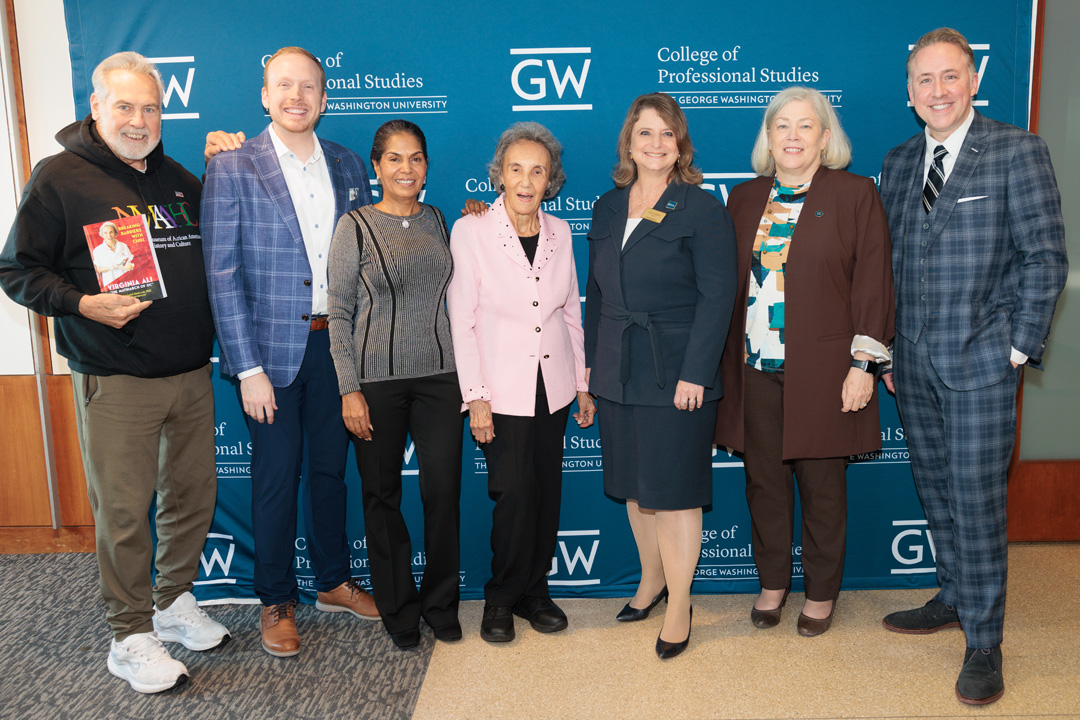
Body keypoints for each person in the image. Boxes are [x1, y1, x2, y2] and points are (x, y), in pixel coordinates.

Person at [0, 51, 229, 694]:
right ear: (96, 107)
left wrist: (222, 170)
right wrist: (81, 303)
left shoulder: (177, 178)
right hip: (115, 377)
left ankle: (171, 602)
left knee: (191, 500)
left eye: (150, 107)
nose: (138, 119)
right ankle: (129, 636)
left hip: (188, 373)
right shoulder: (59, 178)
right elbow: (18, 270)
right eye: (124, 106)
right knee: (126, 512)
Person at [878, 28, 1067, 705]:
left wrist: (1017, 348)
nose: (938, 91)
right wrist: (888, 349)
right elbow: (888, 266)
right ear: (909, 93)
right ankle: (954, 596)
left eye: (949, 77)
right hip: (914, 367)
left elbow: (1046, 256)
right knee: (937, 493)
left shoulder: (1018, 150)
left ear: (972, 80)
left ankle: (984, 643)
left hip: (984, 363)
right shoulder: (898, 164)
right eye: (924, 80)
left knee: (979, 503)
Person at [202, 46, 377, 659]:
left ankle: (332, 580)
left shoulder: (350, 165)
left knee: (330, 472)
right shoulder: (232, 167)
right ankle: (275, 597)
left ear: (324, 99)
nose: (296, 96)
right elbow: (221, 275)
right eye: (284, 85)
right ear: (265, 95)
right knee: (277, 478)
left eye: (308, 87)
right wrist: (246, 368)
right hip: (269, 358)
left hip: (338, 349)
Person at [713, 86, 894, 638]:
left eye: (805, 125)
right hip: (753, 369)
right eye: (781, 126)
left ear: (825, 136)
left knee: (822, 488)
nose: (792, 136)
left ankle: (820, 591)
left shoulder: (854, 194)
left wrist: (863, 365)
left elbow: (873, 283)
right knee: (763, 483)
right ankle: (772, 583)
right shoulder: (743, 199)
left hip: (825, 372)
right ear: (768, 138)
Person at [584, 93, 737, 659]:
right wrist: (592, 374)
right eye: (644, 133)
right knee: (633, 487)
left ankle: (679, 604)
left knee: (673, 495)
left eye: (666, 134)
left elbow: (718, 297)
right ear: (629, 141)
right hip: (618, 370)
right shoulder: (606, 207)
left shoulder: (701, 208)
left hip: (677, 373)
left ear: (681, 145)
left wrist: (696, 373)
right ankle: (650, 581)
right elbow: (595, 295)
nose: (655, 144)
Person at [447, 121, 595, 644]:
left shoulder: (561, 232)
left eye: (537, 170)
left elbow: (571, 312)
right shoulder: (472, 230)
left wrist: (581, 382)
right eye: (516, 169)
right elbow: (461, 318)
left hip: (552, 385)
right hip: (500, 389)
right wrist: (476, 396)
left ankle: (535, 591)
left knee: (546, 494)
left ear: (550, 178)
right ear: (500, 175)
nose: (527, 180)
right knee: (513, 494)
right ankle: (501, 598)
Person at [327, 119, 463, 650]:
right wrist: (349, 389)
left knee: (442, 494)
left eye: (416, 158)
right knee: (382, 499)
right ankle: (398, 608)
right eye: (395, 159)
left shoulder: (439, 219)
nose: (407, 169)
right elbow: (338, 313)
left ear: (426, 166)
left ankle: (441, 604)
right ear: (377, 166)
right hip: (375, 384)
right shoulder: (354, 227)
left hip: (440, 379)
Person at [91, 221, 134, 285]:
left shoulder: (123, 246)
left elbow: (129, 263)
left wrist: (130, 267)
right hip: (110, 282)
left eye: (111, 232)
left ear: (115, 233)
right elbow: (98, 269)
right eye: (105, 233)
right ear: (102, 235)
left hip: (126, 281)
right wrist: (111, 267)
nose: (109, 235)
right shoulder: (97, 250)